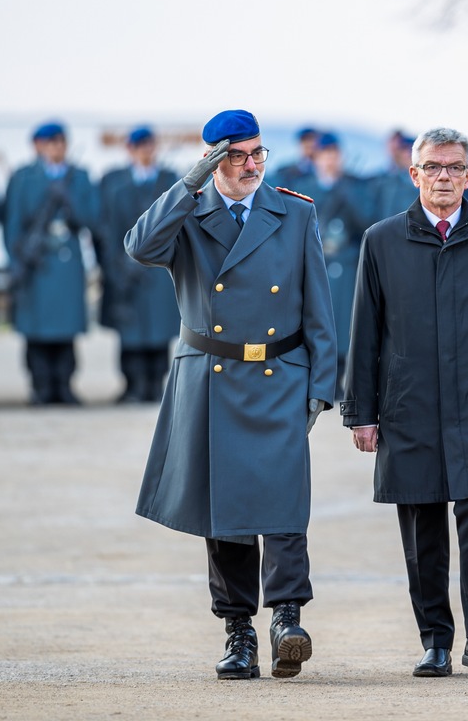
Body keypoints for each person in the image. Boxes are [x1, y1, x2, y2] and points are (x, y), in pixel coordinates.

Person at [124, 109, 337, 681]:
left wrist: (321, 386)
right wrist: (190, 182)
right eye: (236, 155)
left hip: (280, 373)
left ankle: (288, 618)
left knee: (285, 502)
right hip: (214, 377)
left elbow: (318, 305)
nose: (250, 165)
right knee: (228, 516)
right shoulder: (188, 212)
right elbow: (140, 248)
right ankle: (238, 631)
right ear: (213, 159)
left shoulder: (294, 212)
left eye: (257, 153)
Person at [341, 126, 468, 678]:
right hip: (408, 405)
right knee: (422, 521)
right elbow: (365, 333)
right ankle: (435, 640)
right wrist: (360, 411)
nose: (443, 177)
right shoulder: (381, 241)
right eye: (432, 167)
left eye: (454, 168)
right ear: (414, 174)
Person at [3, 121, 98, 405]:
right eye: (50, 143)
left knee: (65, 330)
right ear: (39, 146)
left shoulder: (78, 177)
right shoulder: (23, 178)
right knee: (36, 330)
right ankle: (41, 386)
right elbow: (13, 224)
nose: (56, 148)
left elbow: (91, 219)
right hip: (36, 263)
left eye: (60, 143)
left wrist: (68, 202)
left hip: (66, 262)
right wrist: (16, 260)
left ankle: (64, 385)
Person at [96, 127, 181, 403]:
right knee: (130, 331)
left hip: (159, 269)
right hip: (126, 269)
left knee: (158, 329)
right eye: (139, 146)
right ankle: (133, 385)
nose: (145, 151)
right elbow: (108, 230)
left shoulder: (170, 180)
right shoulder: (116, 185)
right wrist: (114, 267)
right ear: (129, 149)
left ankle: (155, 385)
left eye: (149, 145)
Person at [291, 132, 370, 394]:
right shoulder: (305, 186)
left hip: (346, 263)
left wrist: (347, 195)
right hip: (317, 261)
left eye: (334, 155)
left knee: (345, 323)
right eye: (325, 155)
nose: (330, 161)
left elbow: (366, 223)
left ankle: (343, 380)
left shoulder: (355, 186)